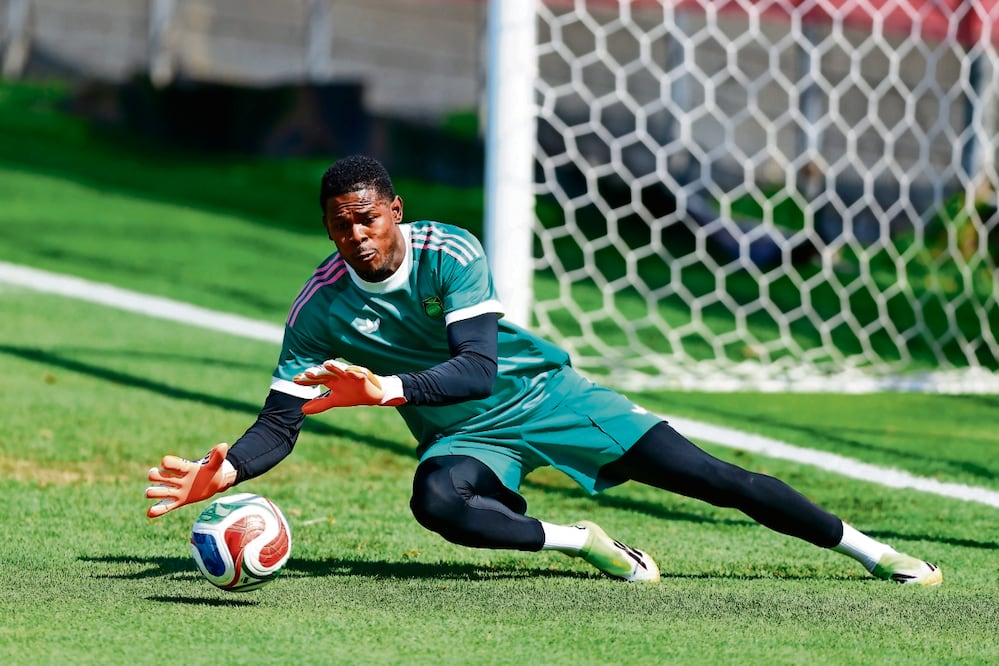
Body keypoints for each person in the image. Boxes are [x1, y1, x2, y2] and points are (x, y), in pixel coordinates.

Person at [145, 154, 942, 586]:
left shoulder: (449, 251)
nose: (353, 236)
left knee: (711, 479)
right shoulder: (317, 310)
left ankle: (875, 554)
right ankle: (583, 542)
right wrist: (230, 468)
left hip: (546, 398)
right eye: (337, 224)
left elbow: (478, 369)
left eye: (365, 217)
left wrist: (384, 389)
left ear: (394, 210)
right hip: (467, 438)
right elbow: (280, 421)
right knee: (436, 502)